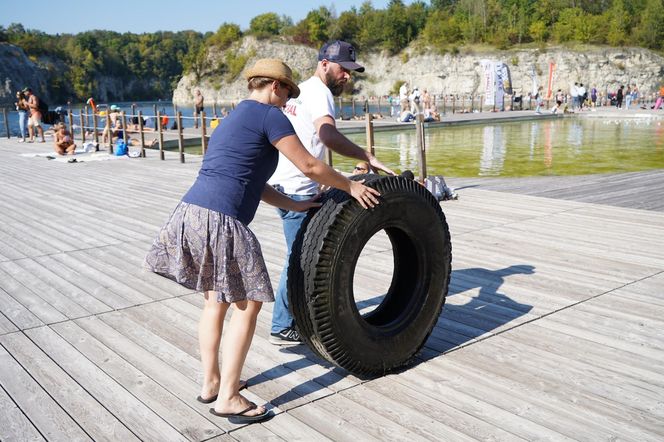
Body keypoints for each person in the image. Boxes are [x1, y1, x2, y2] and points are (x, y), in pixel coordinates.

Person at [144, 58, 381, 424]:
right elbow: (310, 166)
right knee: (249, 305)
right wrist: (350, 185)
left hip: (192, 211)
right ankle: (228, 398)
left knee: (215, 302)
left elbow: (252, 180)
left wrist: (295, 204)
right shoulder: (271, 116)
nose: (288, 100)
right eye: (287, 92)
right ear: (274, 85)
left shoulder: (235, 116)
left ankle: (210, 383)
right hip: (223, 219)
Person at [267, 40, 395, 345]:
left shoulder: (300, 90)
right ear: (324, 63)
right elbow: (327, 135)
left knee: (306, 254)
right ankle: (282, 324)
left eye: (351, 71)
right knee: (299, 258)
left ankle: (297, 316)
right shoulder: (321, 93)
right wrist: (366, 156)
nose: (347, 76)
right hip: (297, 187)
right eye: (343, 69)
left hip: (284, 181)